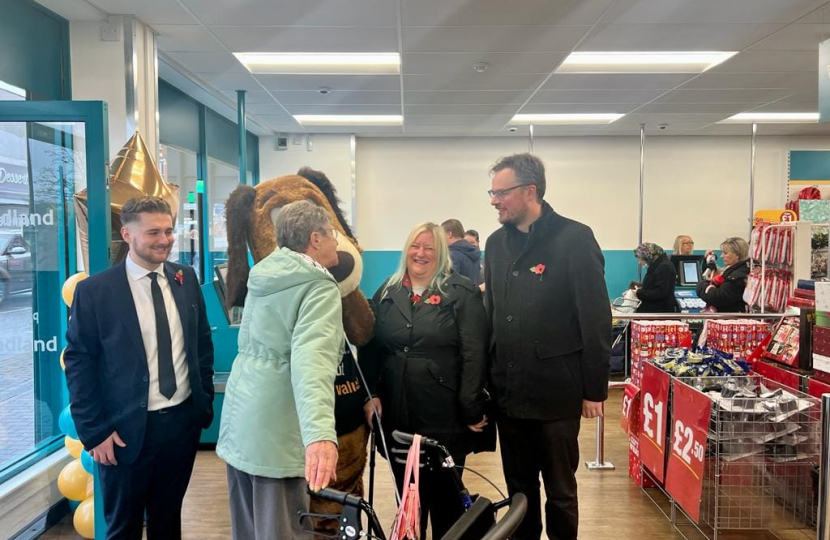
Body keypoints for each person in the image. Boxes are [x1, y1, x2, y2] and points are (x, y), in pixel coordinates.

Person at [64, 196, 215, 540]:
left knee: (168, 522)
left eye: (169, 231)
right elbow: (79, 364)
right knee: (123, 528)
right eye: (153, 232)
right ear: (127, 234)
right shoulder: (95, 292)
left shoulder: (186, 278)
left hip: (181, 425)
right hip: (122, 433)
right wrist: (95, 432)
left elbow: (201, 345)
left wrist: (202, 402)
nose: (164, 240)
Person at [484, 153, 611, 540]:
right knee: (519, 493)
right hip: (508, 395)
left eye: (500, 192)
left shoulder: (574, 238)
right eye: (491, 192)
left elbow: (595, 318)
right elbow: (491, 316)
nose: (493, 200)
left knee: (559, 491)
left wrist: (594, 389)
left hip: (557, 392)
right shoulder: (494, 245)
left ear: (530, 191)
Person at [216, 200, 343, 540]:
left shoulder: (266, 275)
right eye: (332, 235)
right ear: (315, 239)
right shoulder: (317, 286)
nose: (336, 243)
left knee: (249, 529)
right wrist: (319, 436)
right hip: (277, 429)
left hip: (242, 423)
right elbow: (311, 363)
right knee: (283, 530)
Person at [362, 221, 488, 540]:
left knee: (446, 505)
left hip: (444, 415)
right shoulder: (387, 291)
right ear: (406, 250)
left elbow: (475, 354)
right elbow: (370, 349)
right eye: (415, 246)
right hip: (397, 415)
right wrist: (371, 394)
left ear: (441, 253)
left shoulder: (460, 292)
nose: (421, 253)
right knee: (408, 502)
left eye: (429, 248)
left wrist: (471, 408)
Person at [697, 237, 750, 313]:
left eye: (725, 253)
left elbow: (719, 297)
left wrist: (701, 285)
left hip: (731, 319)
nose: (721, 256)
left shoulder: (737, 276)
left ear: (737, 255)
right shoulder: (736, 271)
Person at [632, 243, 677, 313]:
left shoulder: (664, 267)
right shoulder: (658, 266)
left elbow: (661, 292)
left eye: (641, 259)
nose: (639, 262)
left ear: (648, 256)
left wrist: (639, 292)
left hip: (658, 313)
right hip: (655, 312)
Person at [442, 218, 481, 286]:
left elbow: (450, 284)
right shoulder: (474, 252)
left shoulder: (452, 254)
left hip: (458, 296)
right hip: (473, 294)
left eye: (442, 234)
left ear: (449, 234)